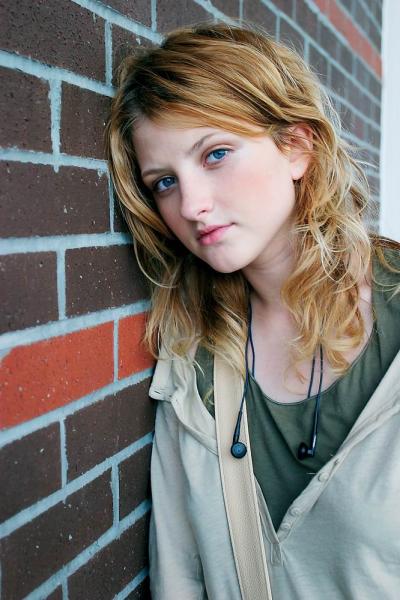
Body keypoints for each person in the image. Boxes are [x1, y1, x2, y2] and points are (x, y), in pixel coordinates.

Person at [105, 22, 400, 599]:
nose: (191, 205)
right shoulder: (191, 356)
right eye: (164, 183)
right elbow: (179, 575)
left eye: (216, 154)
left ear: (297, 147)